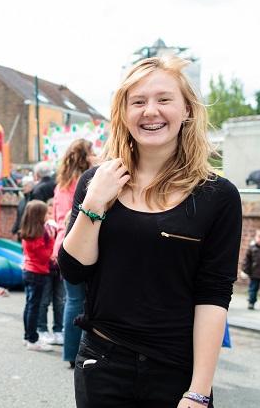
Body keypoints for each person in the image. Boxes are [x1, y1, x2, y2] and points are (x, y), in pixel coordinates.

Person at [59, 56, 242, 407]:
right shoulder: (97, 181)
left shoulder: (217, 196)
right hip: (103, 364)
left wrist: (199, 391)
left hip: (176, 371)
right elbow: (74, 270)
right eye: (138, 102)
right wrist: (95, 201)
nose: (150, 111)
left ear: (187, 109)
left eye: (164, 99)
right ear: (124, 114)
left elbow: (214, 295)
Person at [50, 138, 97, 368]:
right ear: (85, 156)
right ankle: (82, 351)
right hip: (81, 242)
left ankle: (70, 354)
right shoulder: (88, 180)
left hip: (61, 244)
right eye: (92, 151)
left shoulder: (61, 184)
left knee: (72, 300)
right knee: (84, 300)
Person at [20, 200, 56, 352]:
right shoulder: (40, 235)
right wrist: (53, 241)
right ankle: (32, 340)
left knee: (29, 306)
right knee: (34, 307)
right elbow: (45, 255)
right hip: (37, 273)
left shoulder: (27, 232)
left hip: (28, 271)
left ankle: (28, 335)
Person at [36, 198, 65, 346]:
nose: (51, 216)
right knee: (44, 300)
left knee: (59, 301)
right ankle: (41, 329)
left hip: (59, 270)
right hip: (46, 269)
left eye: (53, 212)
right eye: (48, 213)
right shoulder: (43, 229)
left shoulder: (61, 227)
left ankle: (58, 330)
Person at [11, 175, 34, 241]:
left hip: (29, 232)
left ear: (31, 187)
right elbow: (18, 217)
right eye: (23, 186)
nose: (23, 188)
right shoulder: (22, 201)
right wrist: (14, 230)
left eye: (26, 186)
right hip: (20, 231)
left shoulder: (33, 200)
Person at [243, 229, 260, 310]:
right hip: (255, 274)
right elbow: (247, 261)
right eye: (259, 236)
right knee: (253, 289)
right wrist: (245, 271)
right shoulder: (252, 248)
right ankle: (251, 302)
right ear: (256, 237)